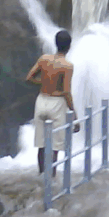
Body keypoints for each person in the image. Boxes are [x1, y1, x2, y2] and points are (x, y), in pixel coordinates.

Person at [26, 29, 79, 176]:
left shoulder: (44, 59)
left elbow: (29, 77)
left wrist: (43, 82)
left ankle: (41, 176)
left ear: (55, 43)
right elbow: (67, 91)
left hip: (42, 100)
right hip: (56, 104)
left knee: (41, 145)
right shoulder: (67, 66)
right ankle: (52, 179)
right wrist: (74, 115)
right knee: (54, 146)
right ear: (69, 46)